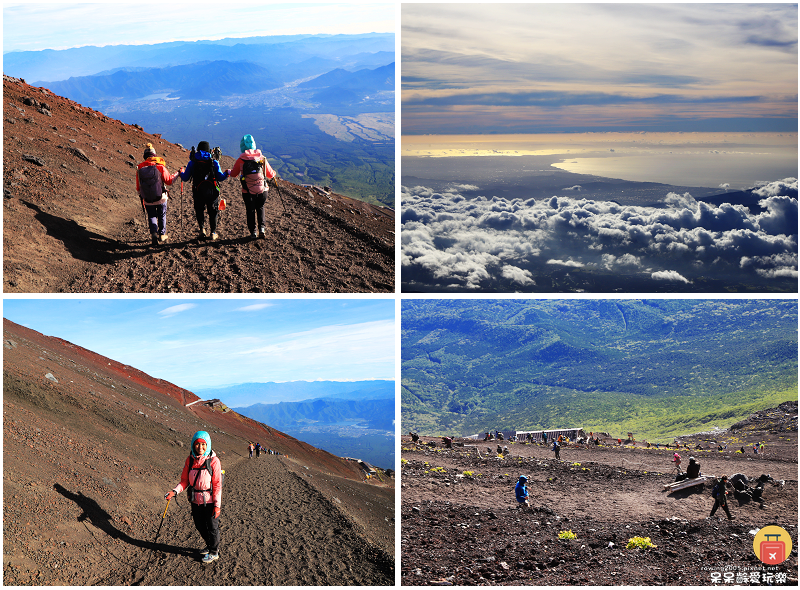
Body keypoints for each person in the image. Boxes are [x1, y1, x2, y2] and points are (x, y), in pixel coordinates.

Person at [164, 431, 222, 563]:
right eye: (197, 444)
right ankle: (209, 545)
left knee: (212, 527)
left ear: (208, 445)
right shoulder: (189, 460)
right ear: (193, 445)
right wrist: (175, 491)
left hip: (210, 501)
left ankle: (214, 552)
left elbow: (217, 485)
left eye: (203, 444)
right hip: (195, 500)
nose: (200, 448)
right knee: (199, 525)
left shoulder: (214, 461)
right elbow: (184, 481)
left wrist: (217, 505)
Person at [177, 141, 230, 241]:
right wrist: (227, 173)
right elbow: (220, 177)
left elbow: (185, 178)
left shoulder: (192, 162)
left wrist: (181, 172)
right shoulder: (213, 162)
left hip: (198, 191)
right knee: (213, 212)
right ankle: (213, 233)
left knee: (199, 210)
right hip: (212, 192)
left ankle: (202, 230)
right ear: (209, 150)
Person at [228, 134, 277, 239]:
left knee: (250, 210)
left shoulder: (241, 160)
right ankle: (262, 229)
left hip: (247, 191)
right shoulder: (262, 158)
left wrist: (228, 171)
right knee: (260, 207)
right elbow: (270, 174)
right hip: (262, 190)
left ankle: (253, 232)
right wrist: (274, 173)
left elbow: (233, 174)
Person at [136, 143, 180, 245]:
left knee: (151, 216)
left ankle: (154, 234)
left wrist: (142, 194)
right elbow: (169, 181)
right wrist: (177, 173)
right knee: (161, 215)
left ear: (145, 156)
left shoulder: (139, 168)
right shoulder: (160, 167)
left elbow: (138, 187)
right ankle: (162, 235)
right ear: (154, 156)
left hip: (147, 198)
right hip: (161, 198)